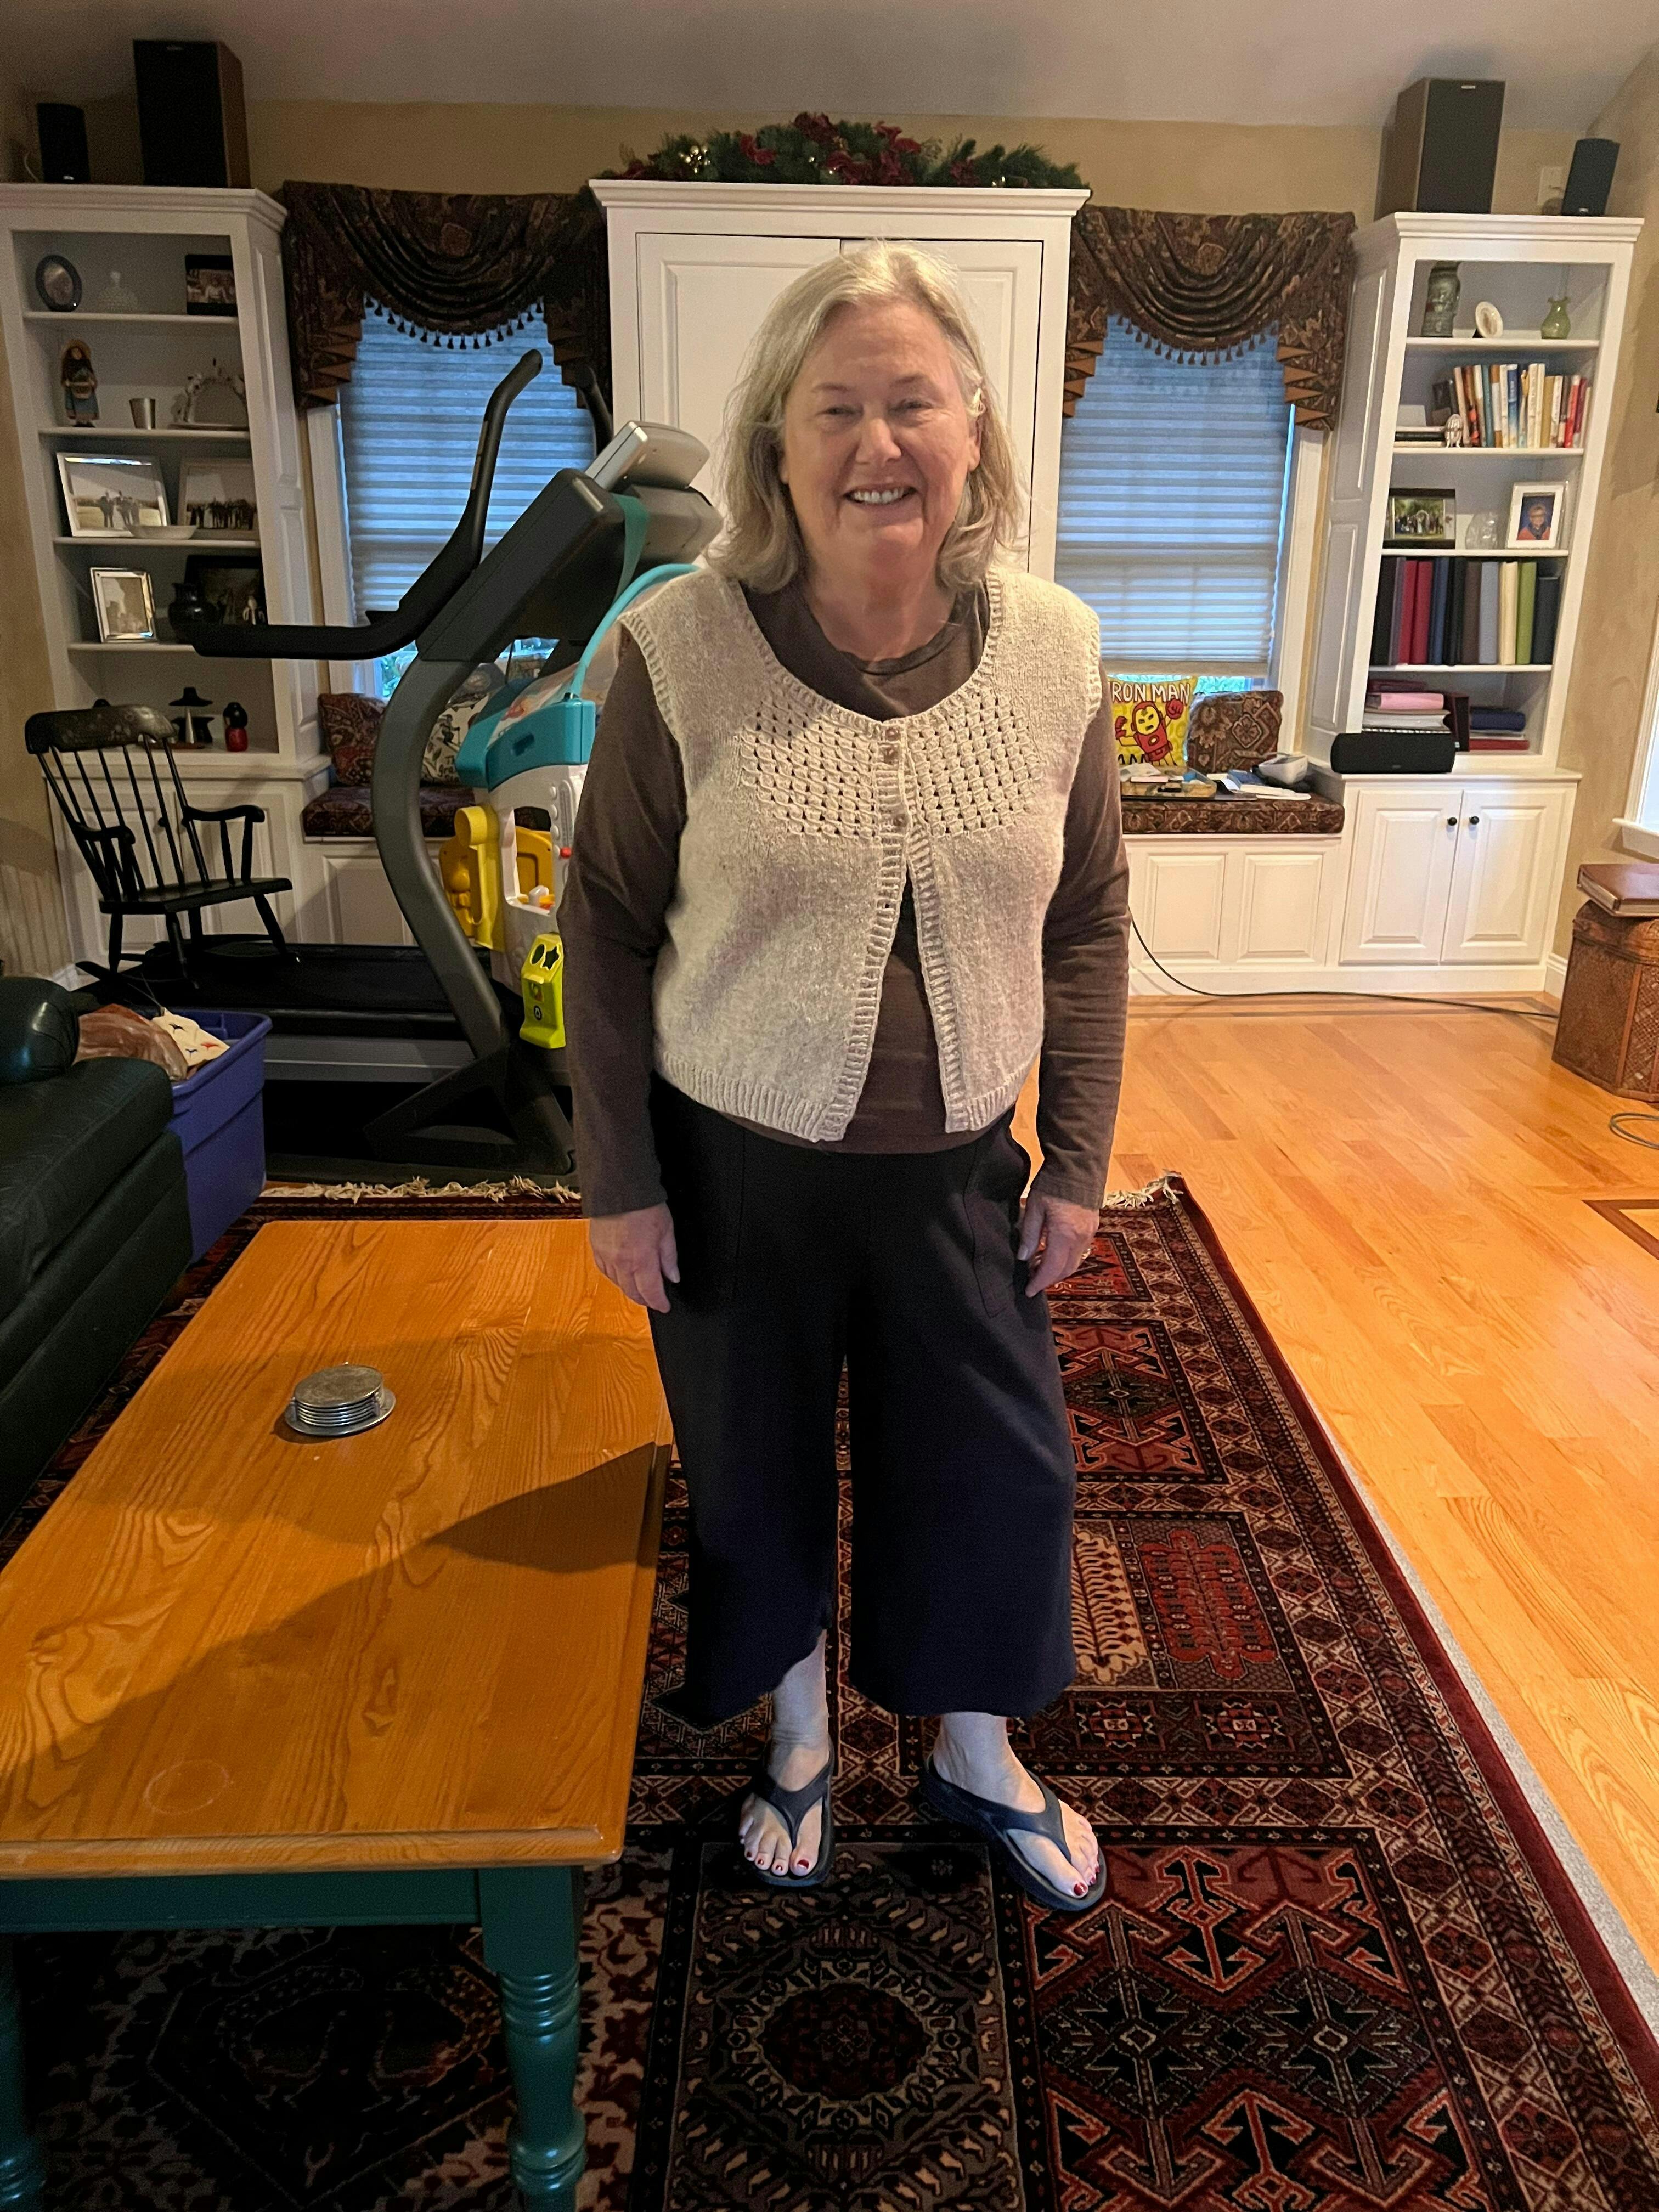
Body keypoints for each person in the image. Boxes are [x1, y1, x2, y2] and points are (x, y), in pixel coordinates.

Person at [559, 241, 1130, 1911]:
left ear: (974, 433)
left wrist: (1078, 1158)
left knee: (998, 1468)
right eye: (836, 409)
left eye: (914, 402)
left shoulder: (1056, 652)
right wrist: (620, 1182)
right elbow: (604, 929)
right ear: (779, 445)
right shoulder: (680, 651)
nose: (880, 443)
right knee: (758, 1472)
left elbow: (1091, 919)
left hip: (960, 1164)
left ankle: (974, 1751)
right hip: (734, 1159)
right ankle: (800, 1738)